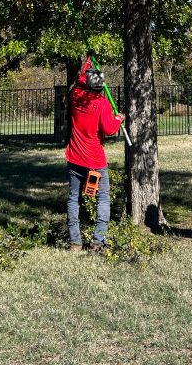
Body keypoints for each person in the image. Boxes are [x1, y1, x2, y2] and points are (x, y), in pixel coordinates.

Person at [65, 56, 125, 252]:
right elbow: (108, 129)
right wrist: (118, 118)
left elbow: (82, 80)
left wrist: (88, 62)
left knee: (74, 198)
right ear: (101, 86)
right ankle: (98, 241)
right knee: (103, 199)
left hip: (74, 158)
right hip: (95, 161)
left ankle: (75, 242)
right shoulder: (102, 103)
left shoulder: (75, 96)